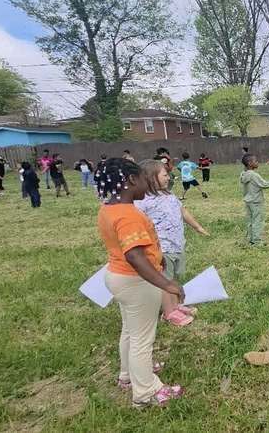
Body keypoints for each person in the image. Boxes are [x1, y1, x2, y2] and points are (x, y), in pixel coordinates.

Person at [96, 158, 185, 407]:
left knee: (130, 331)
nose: (148, 185)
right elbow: (134, 256)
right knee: (142, 340)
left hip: (117, 277)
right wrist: (167, 284)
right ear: (131, 180)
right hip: (136, 282)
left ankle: (128, 375)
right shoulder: (128, 215)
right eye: (144, 180)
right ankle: (146, 392)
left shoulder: (108, 208)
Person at [135, 160, 210, 326]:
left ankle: (176, 305)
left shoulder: (170, 195)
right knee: (164, 281)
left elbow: (182, 211)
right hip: (161, 248)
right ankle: (169, 312)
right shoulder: (142, 200)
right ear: (151, 178)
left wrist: (197, 227)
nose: (168, 177)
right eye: (165, 175)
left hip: (177, 245)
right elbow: (136, 223)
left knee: (174, 277)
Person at [240, 154, 269, 246]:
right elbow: (265, 184)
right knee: (257, 221)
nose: (257, 162)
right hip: (256, 202)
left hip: (248, 201)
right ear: (250, 163)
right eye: (255, 161)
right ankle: (256, 241)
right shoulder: (254, 175)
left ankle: (250, 239)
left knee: (251, 221)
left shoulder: (244, 174)